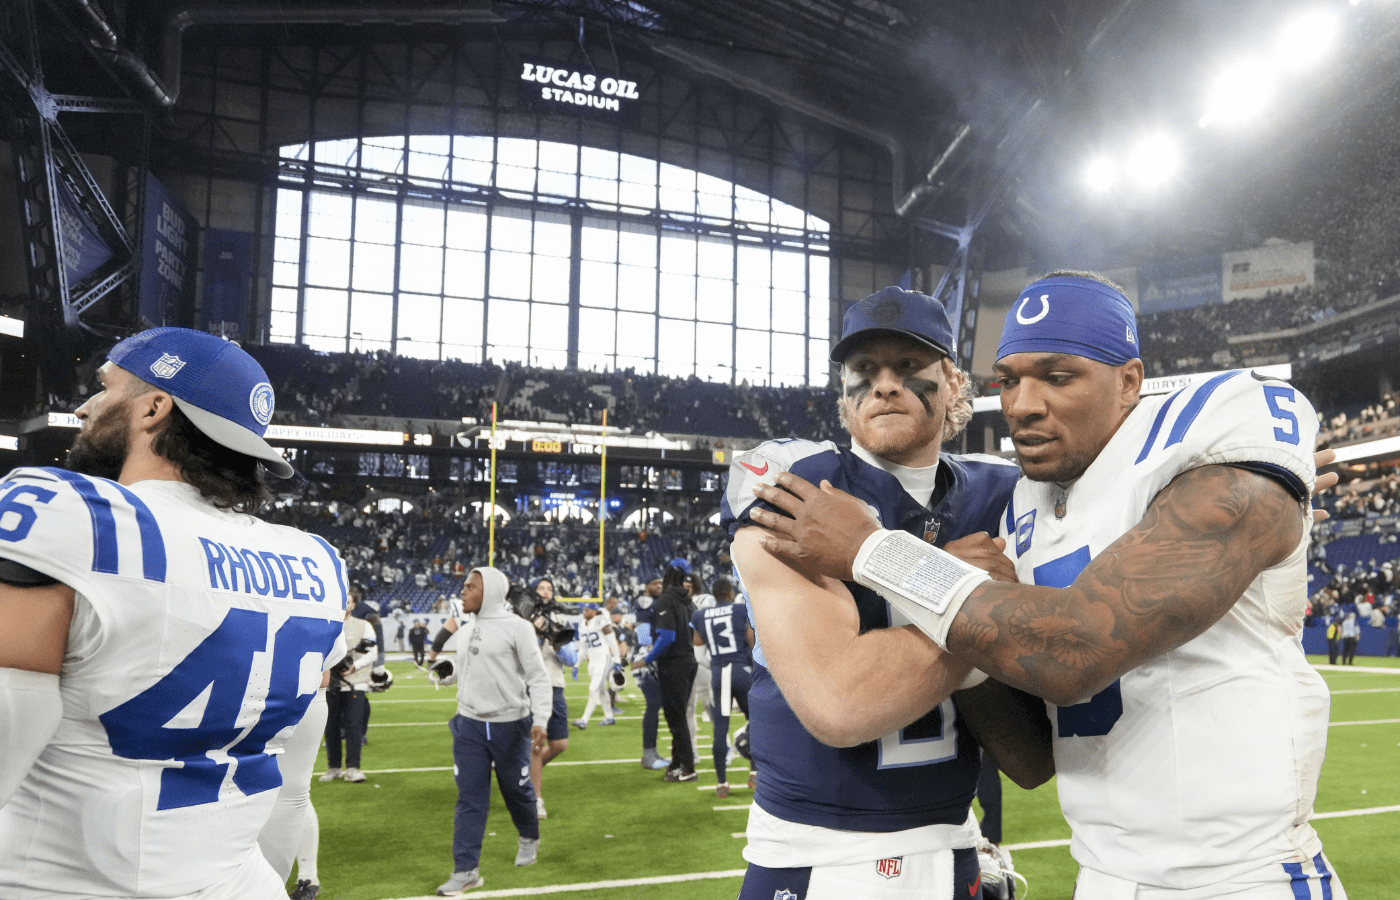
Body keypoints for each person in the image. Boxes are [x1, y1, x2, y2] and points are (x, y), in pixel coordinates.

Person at [751, 272, 1347, 898]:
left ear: (1130, 381)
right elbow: (1031, 760)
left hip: (1241, 877)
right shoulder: (1025, 506)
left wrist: (874, 552)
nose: (1022, 405)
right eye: (1009, 380)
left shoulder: (1217, 427)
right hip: (1102, 874)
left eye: (1057, 377)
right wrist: (966, 623)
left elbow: (1078, 649)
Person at [0, 327, 346, 899]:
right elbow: (291, 786)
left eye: (105, 387)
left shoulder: (71, 514)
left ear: (155, 407)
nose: (86, 406)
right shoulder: (315, 562)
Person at [721, 286, 1043, 900]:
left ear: (952, 382)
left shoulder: (1007, 496)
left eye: (909, 367)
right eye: (864, 371)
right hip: (820, 853)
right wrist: (965, 593)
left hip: (955, 843)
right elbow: (839, 704)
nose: (885, 384)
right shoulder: (800, 486)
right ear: (842, 394)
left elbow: (1032, 760)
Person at [424, 567, 551, 896]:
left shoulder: (518, 628)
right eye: (464, 585)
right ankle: (466, 871)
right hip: (469, 725)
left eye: (471, 587)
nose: (463, 592)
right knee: (469, 799)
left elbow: (538, 677)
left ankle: (528, 836)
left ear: (492, 592)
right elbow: (464, 672)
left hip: (511, 725)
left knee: (517, 792)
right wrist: (444, 674)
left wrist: (541, 720)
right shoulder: (466, 631)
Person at [632, 560, 699, 782]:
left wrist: (647, 658)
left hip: (674, 664)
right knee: (679, 714)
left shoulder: (667, 599)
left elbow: (667, 636)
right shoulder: (688, 600)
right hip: (690, 661)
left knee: (675, 717)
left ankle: (687, 768)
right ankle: (677, 763)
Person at [690, 575, 756, 797]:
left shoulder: (701, 615)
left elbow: (698, 642)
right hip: (740, 671)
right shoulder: (740, 610)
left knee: (720, 728)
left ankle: (721, 782)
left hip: (719, 674)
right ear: (730, 594)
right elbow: (751, 640)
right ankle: (755, 772)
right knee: (755, 721)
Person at [529, 576, 574, 821]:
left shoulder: (561, 619)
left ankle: (524, 772)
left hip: (555, 685)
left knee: (560, 743)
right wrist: (536, 631)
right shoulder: (522, 620)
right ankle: (535, 798)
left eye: (549, 588)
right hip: (533, 686)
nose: (546, 592)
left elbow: (571, 658)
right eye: (541, 588)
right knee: (536, 744)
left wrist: (558, 645)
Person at [320, 593, 377, 783]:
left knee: (354, 726)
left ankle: (353, 768)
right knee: (331, 727)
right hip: (331, 685)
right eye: (341, 600)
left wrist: (355, 667)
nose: (344, 604)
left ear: (353, 605)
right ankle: (333, 768)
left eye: (348, 601)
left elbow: (372, 652)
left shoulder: (364, 625)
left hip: (356, 683)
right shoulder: (325, 624)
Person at [632, 576, 671, 770]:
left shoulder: (655, 603)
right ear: (646, 586)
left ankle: (652, 752)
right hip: (645, 657)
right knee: (654, 703)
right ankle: (648, 754)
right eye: (655, 583)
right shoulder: (646, 602)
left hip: (649, 657)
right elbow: (644, 634)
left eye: (662, 583)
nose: (660, 586)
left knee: (655, 705)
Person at [574, 602, 621, 728]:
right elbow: (583, 649)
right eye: (584, 610)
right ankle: (609, 717)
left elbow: (612, 640)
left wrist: (616, 660)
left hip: (603, 658)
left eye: (588, 610)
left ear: (594, 612)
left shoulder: (601, 620)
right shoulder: (582, 624)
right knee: (600, 690)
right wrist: (577, 665)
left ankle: (584, 720)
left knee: (593, 689)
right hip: (592, 661)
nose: (585, 612)